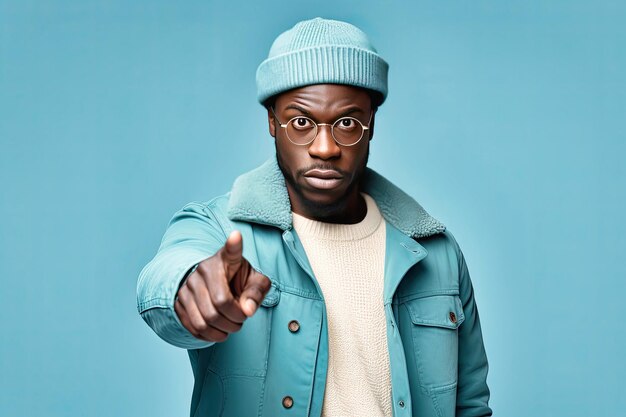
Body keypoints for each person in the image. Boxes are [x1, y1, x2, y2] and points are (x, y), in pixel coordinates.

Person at [137, 17, 492, 417]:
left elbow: (471, 403)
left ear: (371, 123)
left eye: (347, 123)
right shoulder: (217, 229)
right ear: (272, 121)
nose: (325, 147)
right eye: (301, 122)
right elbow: (164, 281)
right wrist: (189, 292)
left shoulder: (438, 254)